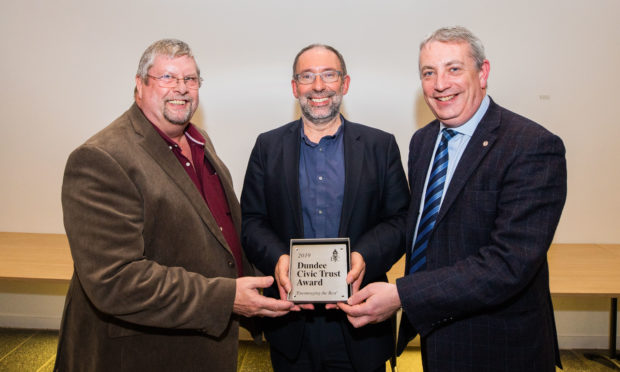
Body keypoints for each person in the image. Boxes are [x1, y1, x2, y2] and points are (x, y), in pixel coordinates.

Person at [55, 39, 293, 372]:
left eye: (190, 79)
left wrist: (270, 280)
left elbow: (220, 233)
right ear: (140, 85)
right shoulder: (101, 158)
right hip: (138, 354)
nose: (181, 89)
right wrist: (226, 298)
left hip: (199, 345)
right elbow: (116, 280)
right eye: (167, 77)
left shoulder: (198, 140)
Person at [339, 26, 567, 371]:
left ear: (483, 72)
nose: (440, 84)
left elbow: (508, 264)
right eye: (428, 73)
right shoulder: (423, 142)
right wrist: (362, 256)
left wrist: (403, 295)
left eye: (454, 69)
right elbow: (418, 227)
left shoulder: (532, 145)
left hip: (500, 347)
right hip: (439, 339)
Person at [240, 44, 410, 372]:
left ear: (344, 84)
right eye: (307, 76)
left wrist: (363, 256)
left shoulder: (380, 145)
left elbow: (401, 220)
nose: (318, 86)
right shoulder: (267, 146)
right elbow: (252, 221)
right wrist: (278, 258)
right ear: (295, 88)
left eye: (329, 75)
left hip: (360, 322)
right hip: (291, 325)